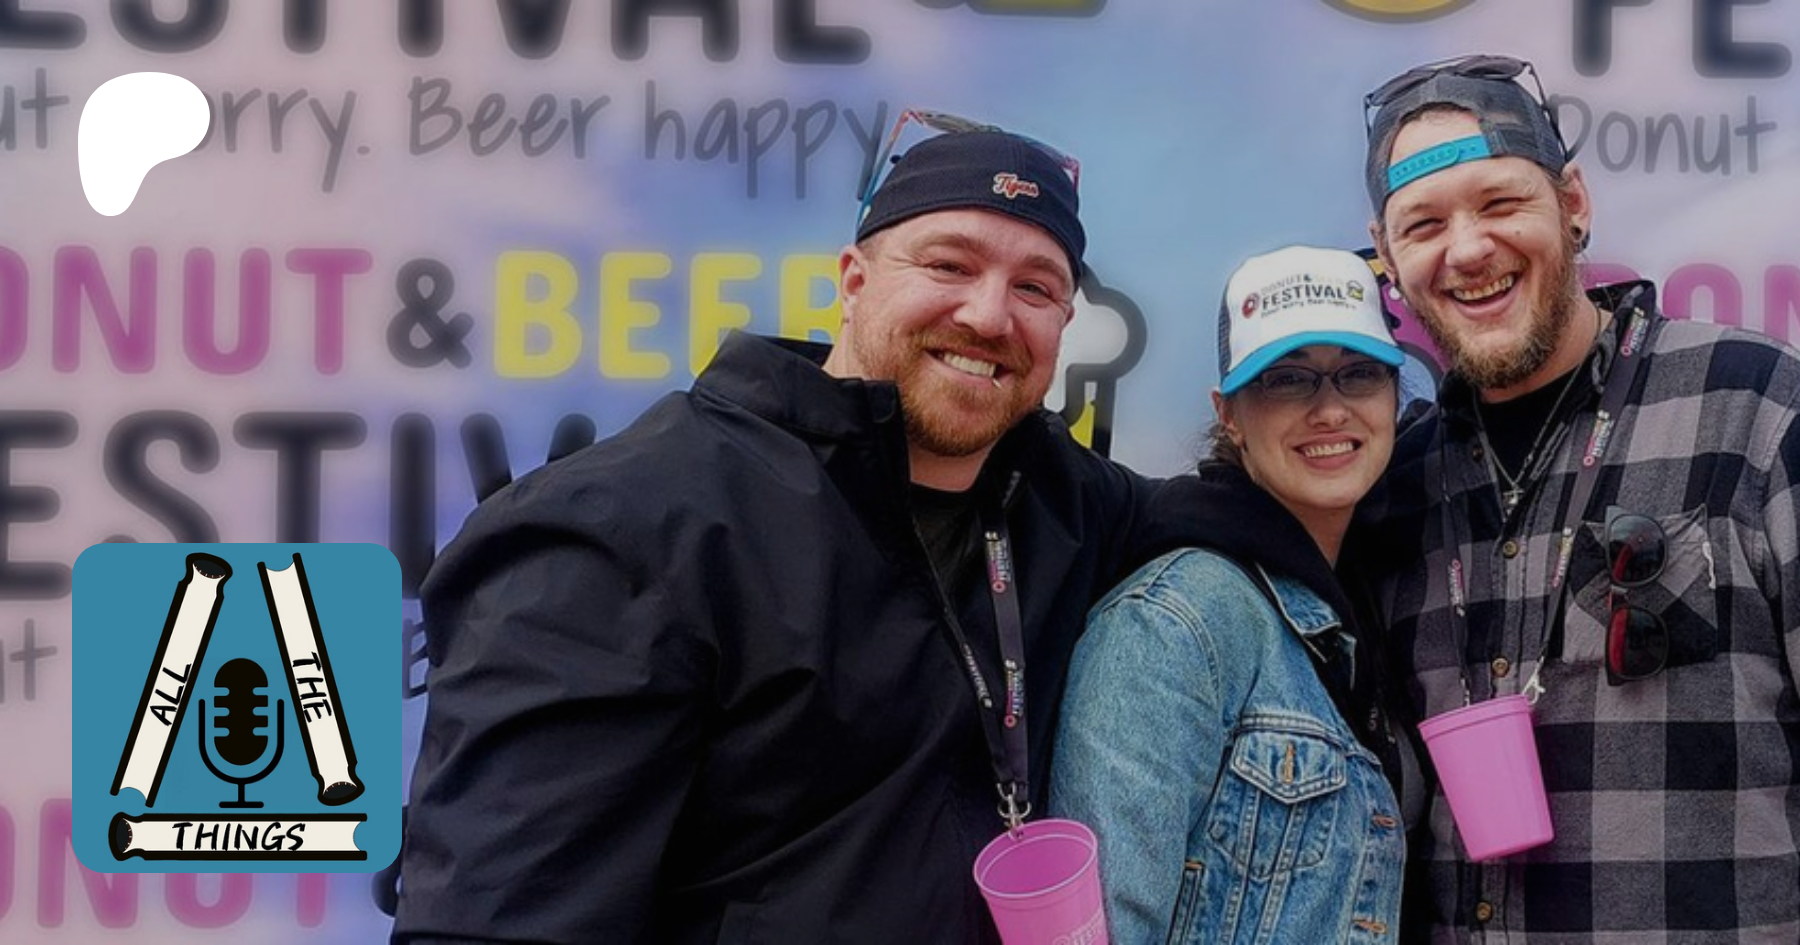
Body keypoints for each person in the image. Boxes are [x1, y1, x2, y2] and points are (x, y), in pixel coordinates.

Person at [394, 123, 1203, 944]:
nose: (989, 314)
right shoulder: (625, 529)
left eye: (1034, 287)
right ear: (853, 280)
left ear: (1064, 322)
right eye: (949, 265)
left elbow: (1237, 512)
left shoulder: (1058, 495)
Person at [1362, 54, 1800, 940]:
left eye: (1500, 202)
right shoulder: (1389, 485)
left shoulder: (1754, 401)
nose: (1468, 249)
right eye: (1424, 223)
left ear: (1573, 202)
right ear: (1389, 258)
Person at [1051, 246, 1413, 943]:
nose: (1330, 409)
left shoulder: (1360, 600)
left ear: (1395, 396)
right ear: (1230, 415)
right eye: (1287, 380)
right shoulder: (1174, 621)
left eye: (1359, 373)